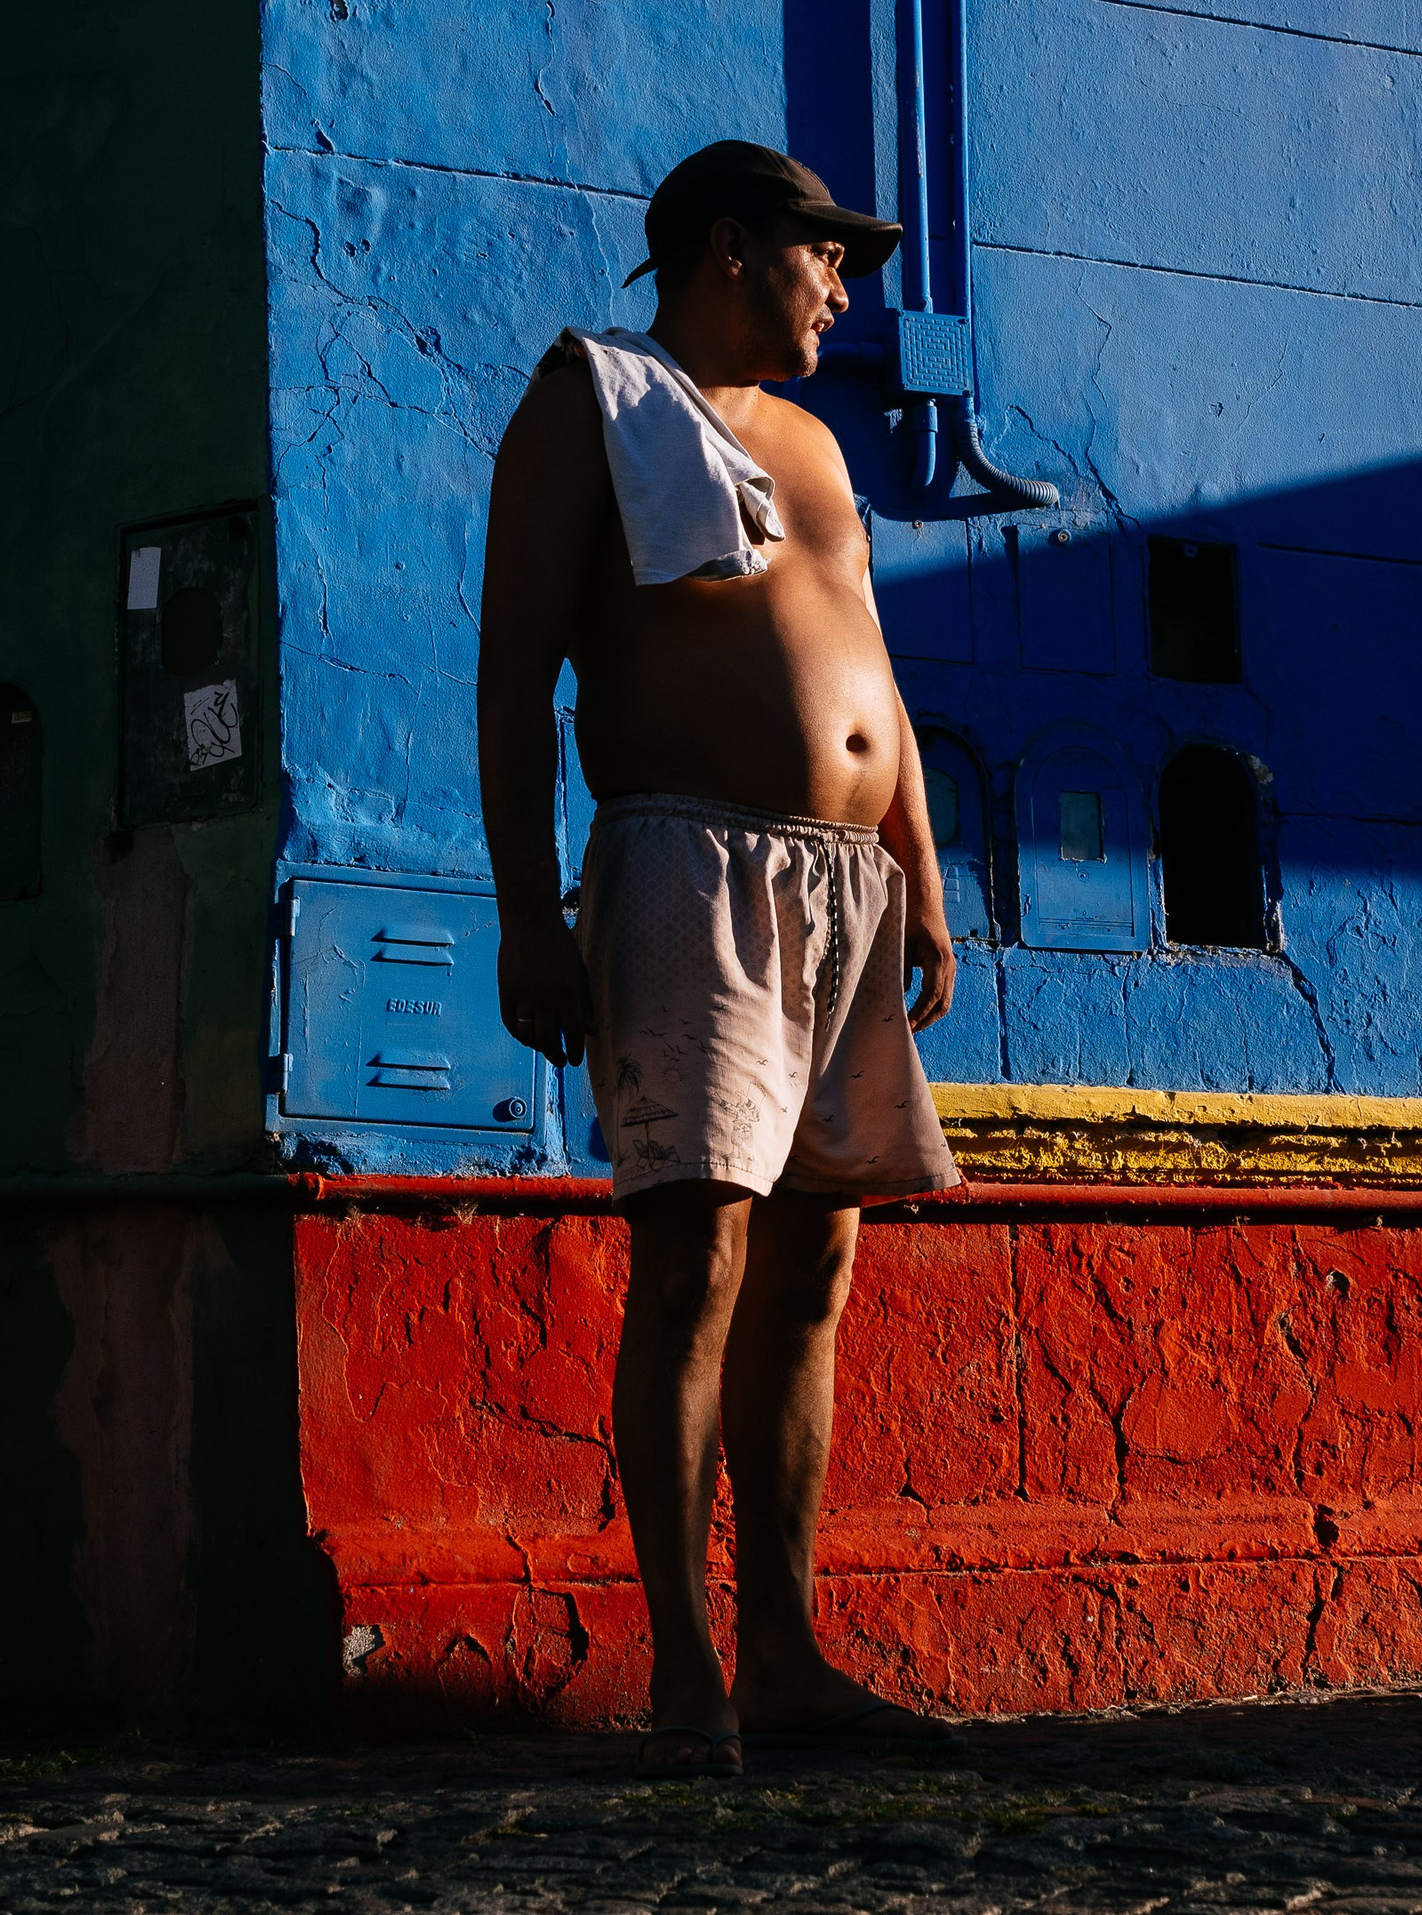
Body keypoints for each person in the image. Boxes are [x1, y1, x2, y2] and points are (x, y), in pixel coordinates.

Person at [476, 141, 965, 1777]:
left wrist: (922, 873)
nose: (846, 288)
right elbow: (510, 677)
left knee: (816, 1272)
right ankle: (687, 1672)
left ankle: (788, 1651)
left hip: (848, 887)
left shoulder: (821, 447)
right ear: (734, 249)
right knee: (695, 1259)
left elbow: (872, 677)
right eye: (827, 256)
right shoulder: (590, 405)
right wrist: (529, 910)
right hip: (688, 864)